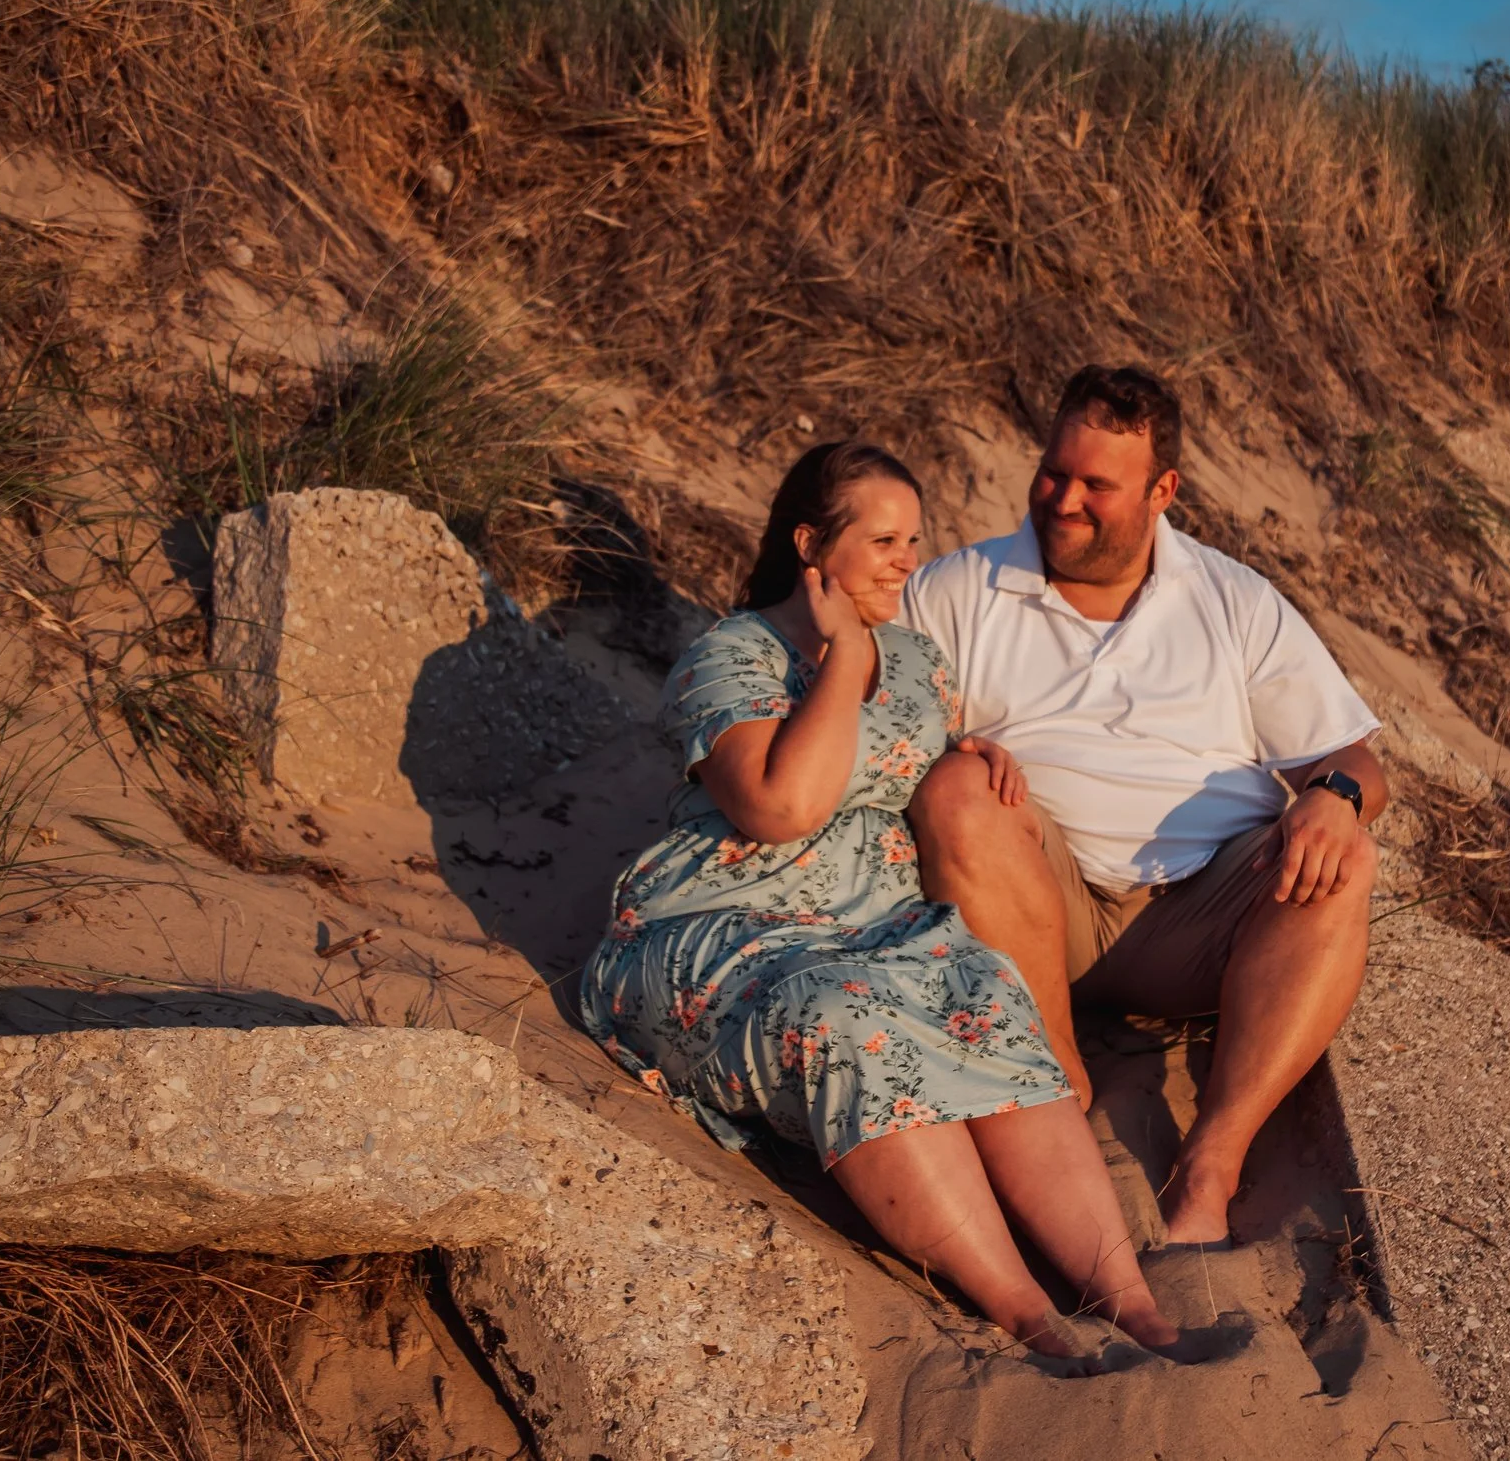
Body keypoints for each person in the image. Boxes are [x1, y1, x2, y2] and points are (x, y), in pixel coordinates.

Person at [579, 440, 1181, 1364]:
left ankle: (1133, 1301)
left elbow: (910, 758)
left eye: (915, 539)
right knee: (848, 1020)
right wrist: (842, 661)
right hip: (723, 927)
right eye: (887, 539)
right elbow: (783, 807)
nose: (909, 559)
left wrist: (974, 751)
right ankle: (1027, 1311)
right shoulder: (732, 654)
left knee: (985, 989)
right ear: (812, 543)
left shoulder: (916, 657)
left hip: (876, 921)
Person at [901, 365, 1386, 1248]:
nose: (1065, 500)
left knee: (1342, 853)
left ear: (1164, 490)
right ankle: (1060, 1082)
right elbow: (882, 727)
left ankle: (1214, 1159)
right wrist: (952, 747)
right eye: (1055, 472)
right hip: (1036, 907)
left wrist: (1335, 796)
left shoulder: (1232, 598)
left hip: (1205, 917)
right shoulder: (955, 592)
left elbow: (1353, 756)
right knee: (954, 791)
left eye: (1097, 485)